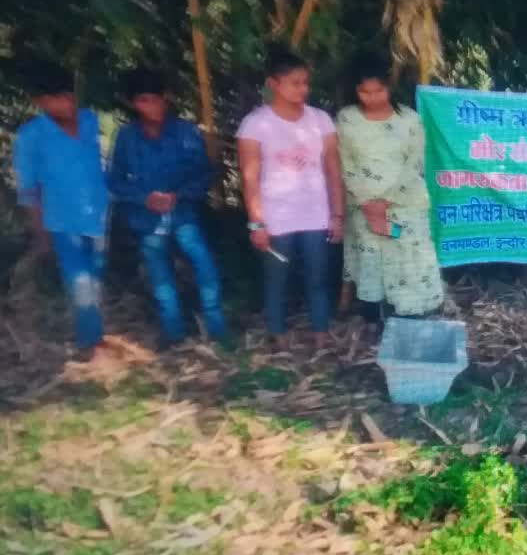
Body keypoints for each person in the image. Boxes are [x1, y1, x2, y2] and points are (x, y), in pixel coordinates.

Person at [109, 68, 229, 351]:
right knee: (160, 276)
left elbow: (205, 174)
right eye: (142, 101)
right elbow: (114, 180)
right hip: (146, 219)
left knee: (205, 265)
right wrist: (144, 198)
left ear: (166, 98)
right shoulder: (126, 137)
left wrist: (179, 195)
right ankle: (173, 334)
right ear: (133, 104)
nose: (150, 106)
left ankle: (217, 329)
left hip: (184, 215)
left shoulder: (186, 132)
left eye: (155, 99)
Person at [237, 46, 346, 350]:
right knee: (276, 277)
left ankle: (321, 331)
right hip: (276, 216)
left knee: (318, 276)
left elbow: (333, 170)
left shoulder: (320, 120)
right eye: (295, 83)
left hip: (315, 213)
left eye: (305, 83)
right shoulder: (255, 124)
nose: (303, 89)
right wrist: (256, 224)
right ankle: (277, 332)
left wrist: (337, 215)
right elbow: (250, 178)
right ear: (273, 84)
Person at [337, 53, 444, 335]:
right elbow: (344, 164)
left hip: (404, 206)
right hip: (364, 208)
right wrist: (368, 204)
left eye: (379, 90)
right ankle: (372, 319)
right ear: (355, 90)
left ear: (389, 87)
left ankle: (407, 318)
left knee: (407, 256)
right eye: (365, 91)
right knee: (371, 257)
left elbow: (414, 164)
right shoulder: (347, 120)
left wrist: (385, 201)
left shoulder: (409, 120)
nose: (372, 97)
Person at [13, 60, 111, 360]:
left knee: (94, 279)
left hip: (99, 215)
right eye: (56, 98)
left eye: (69, 95)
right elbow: (29, 188)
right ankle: (89, 344)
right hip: (61, 221)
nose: (66, 103)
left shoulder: (91, 120)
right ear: (40, 102)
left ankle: (95, 335)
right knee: (79, 282)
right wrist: (39, 231)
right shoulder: (31, 136)